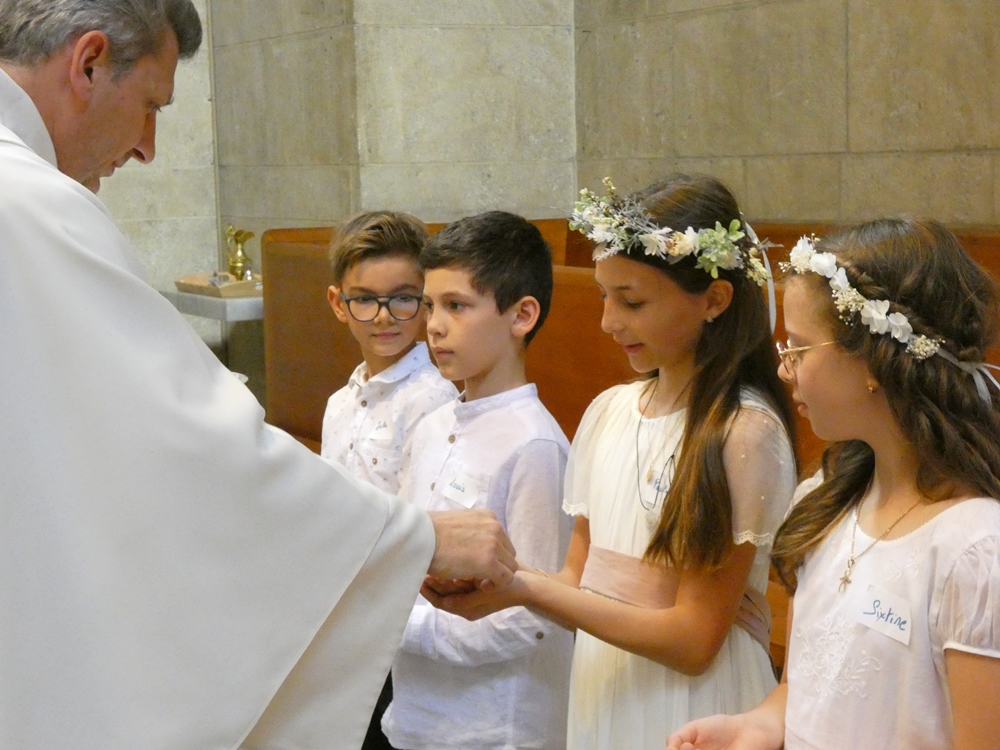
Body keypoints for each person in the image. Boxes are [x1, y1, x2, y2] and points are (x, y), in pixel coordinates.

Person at [0, 2, 516, 748]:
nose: (147, 147)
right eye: (151, 106)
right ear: (88, 62)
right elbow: (186, 449)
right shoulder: (30, 205)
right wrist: (414, 539)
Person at [424, 175, 798, 750]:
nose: (608, 321)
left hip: (691, 706)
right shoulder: (609, 410)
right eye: (604, 296)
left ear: (714, 300)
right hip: (604, 686)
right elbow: (579, 580)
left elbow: (693, 642)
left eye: (632, 301)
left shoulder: (741, 430)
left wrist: (527, 591)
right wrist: (499, 581)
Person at [667, 219, 1000, 750]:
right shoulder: (825, 498)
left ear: (873, 361)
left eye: (799, 349)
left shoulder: (975, 552)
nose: (784, 370)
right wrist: (759, 725)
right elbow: (809, 683)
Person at [381, 212, 575, 750]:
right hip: (416, 718)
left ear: (522, 315)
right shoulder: (432, 424)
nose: (434, 326)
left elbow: (535, 616)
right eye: (429, 305)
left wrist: (393, 623)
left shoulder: (534, 445)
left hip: (491, 729)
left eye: (457, 306)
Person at [321, 210, 458, 750]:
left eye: (403, 298)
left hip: (398, 625)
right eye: (364, 299)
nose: (384, 317)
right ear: (338, 303)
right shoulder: (340, 401)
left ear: (426, 301)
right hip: (345, 613)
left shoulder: (433, 399)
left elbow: (419, 529)